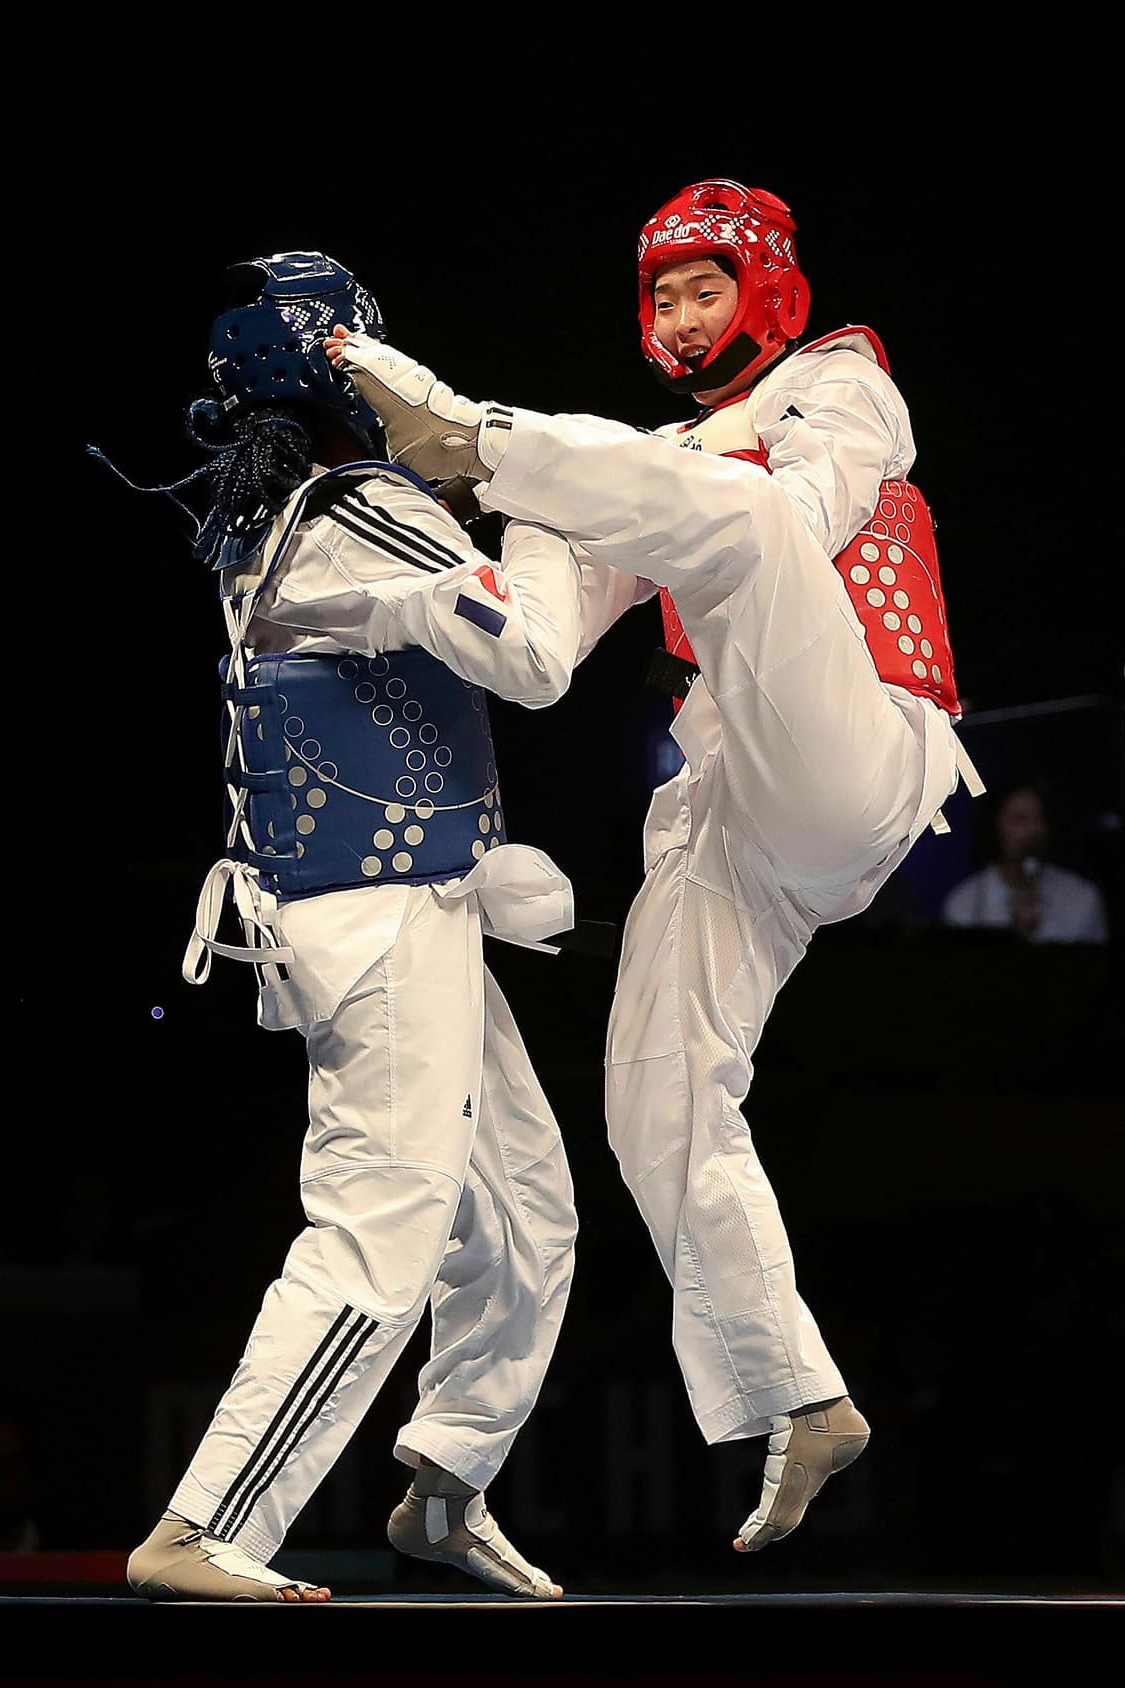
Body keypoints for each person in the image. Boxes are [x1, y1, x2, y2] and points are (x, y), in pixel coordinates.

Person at [326, 178, 985, 1556]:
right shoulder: (651, 463)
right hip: (732, 791)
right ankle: (796, 1394)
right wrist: (407, 593)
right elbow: (561, 611)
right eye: (663, 299)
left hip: (859, 746)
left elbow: (790, 522)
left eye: (705, 289)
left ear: (767, 290)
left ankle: (474, 432)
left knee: (714, 522)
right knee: (657, 1093)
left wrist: (519, 454)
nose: (683, 318)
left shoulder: (839, 379)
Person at [109, 251, 599, 1602]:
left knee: (521, 1213)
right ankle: (204, 1529)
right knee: (382, 1222)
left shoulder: (290, 512)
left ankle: (445, 1483)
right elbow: (535, 659)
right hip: (377, 929)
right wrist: (557, 508)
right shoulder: (362, 506)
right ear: (349, 361)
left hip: (400, 907)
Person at [942, 783, 1108, 942]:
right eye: (1020, 820)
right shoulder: (964, 905)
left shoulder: (1082, 898)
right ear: (995, 827)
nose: (1033, 830)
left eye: (1039, 818)